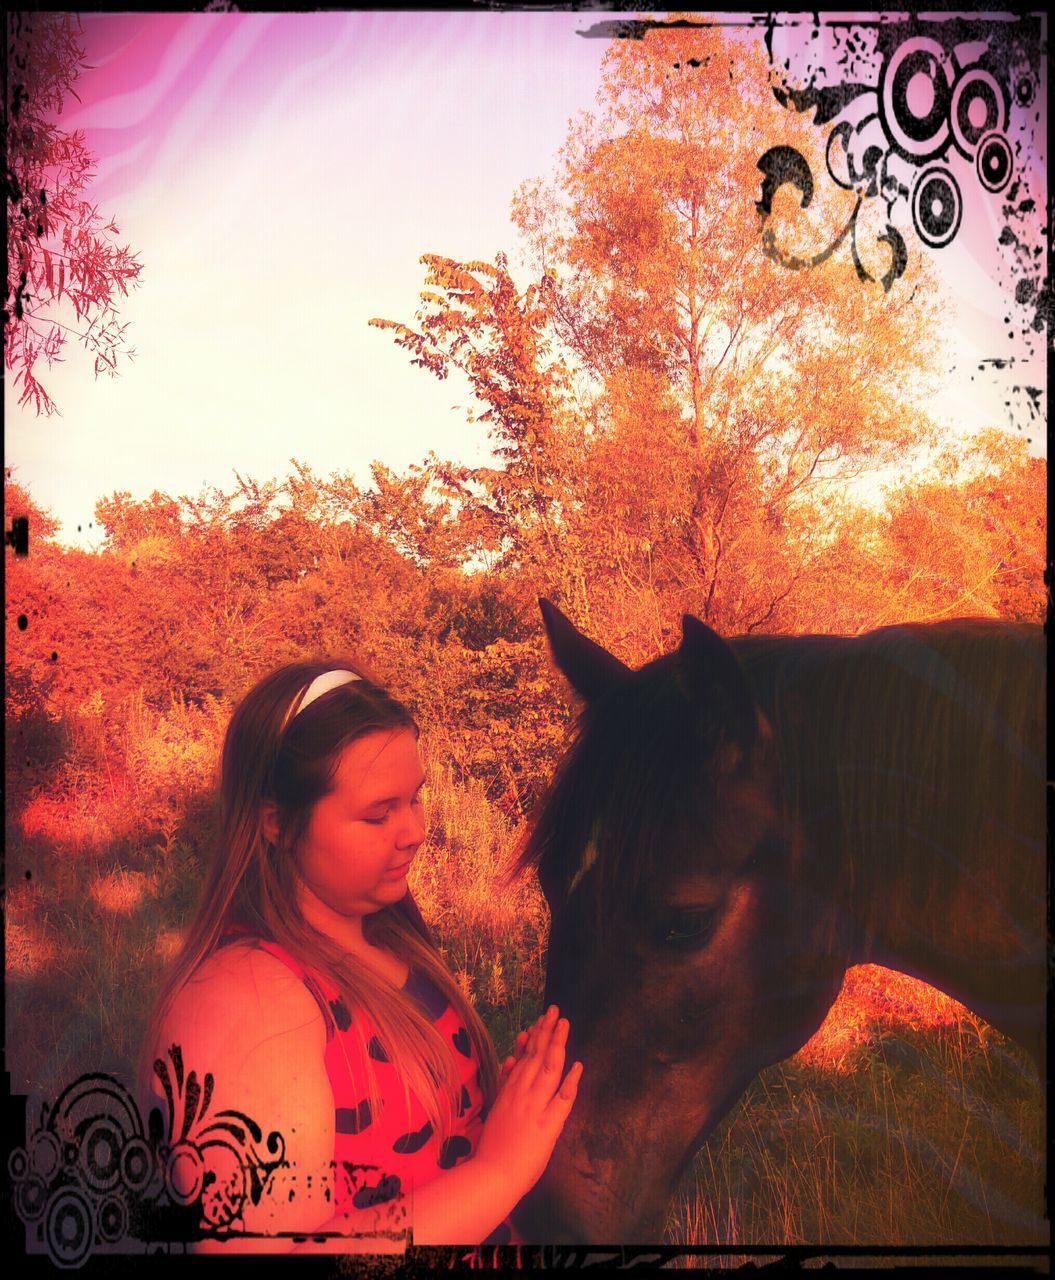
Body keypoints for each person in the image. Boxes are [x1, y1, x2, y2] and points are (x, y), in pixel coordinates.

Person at [140, 659, 581, 1251]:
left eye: (414, 799)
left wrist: (501, 1112)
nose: (414, 831)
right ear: (277, 823)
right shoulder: (244, 1002)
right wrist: (497, 1173)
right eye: (378, 813)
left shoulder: (382, 936)